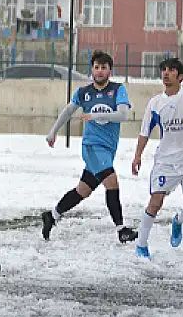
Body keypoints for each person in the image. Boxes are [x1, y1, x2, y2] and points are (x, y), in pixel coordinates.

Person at [42, 50, 137, 244]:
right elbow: (68, 111)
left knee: (82, 191)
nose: (100, 71)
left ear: (110, 70)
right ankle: (121, 229)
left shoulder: (118, 90)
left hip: (108, 149)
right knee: (112, 182)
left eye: (104, 67)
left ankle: (52, 215)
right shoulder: (83, 93)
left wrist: (95, 116)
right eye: (96, 67)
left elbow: (123, 115)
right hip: (92, 147)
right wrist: (53, 132)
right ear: (91, 70)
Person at [132, 58, 183, 259]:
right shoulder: (155, 103)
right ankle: (141, 245)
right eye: (164, 70)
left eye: (171, 70)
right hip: (165, 163)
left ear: (181, 76)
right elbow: (144, 133)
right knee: (155, 202)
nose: (166, 73)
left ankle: (177, 221)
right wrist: (137, 156)